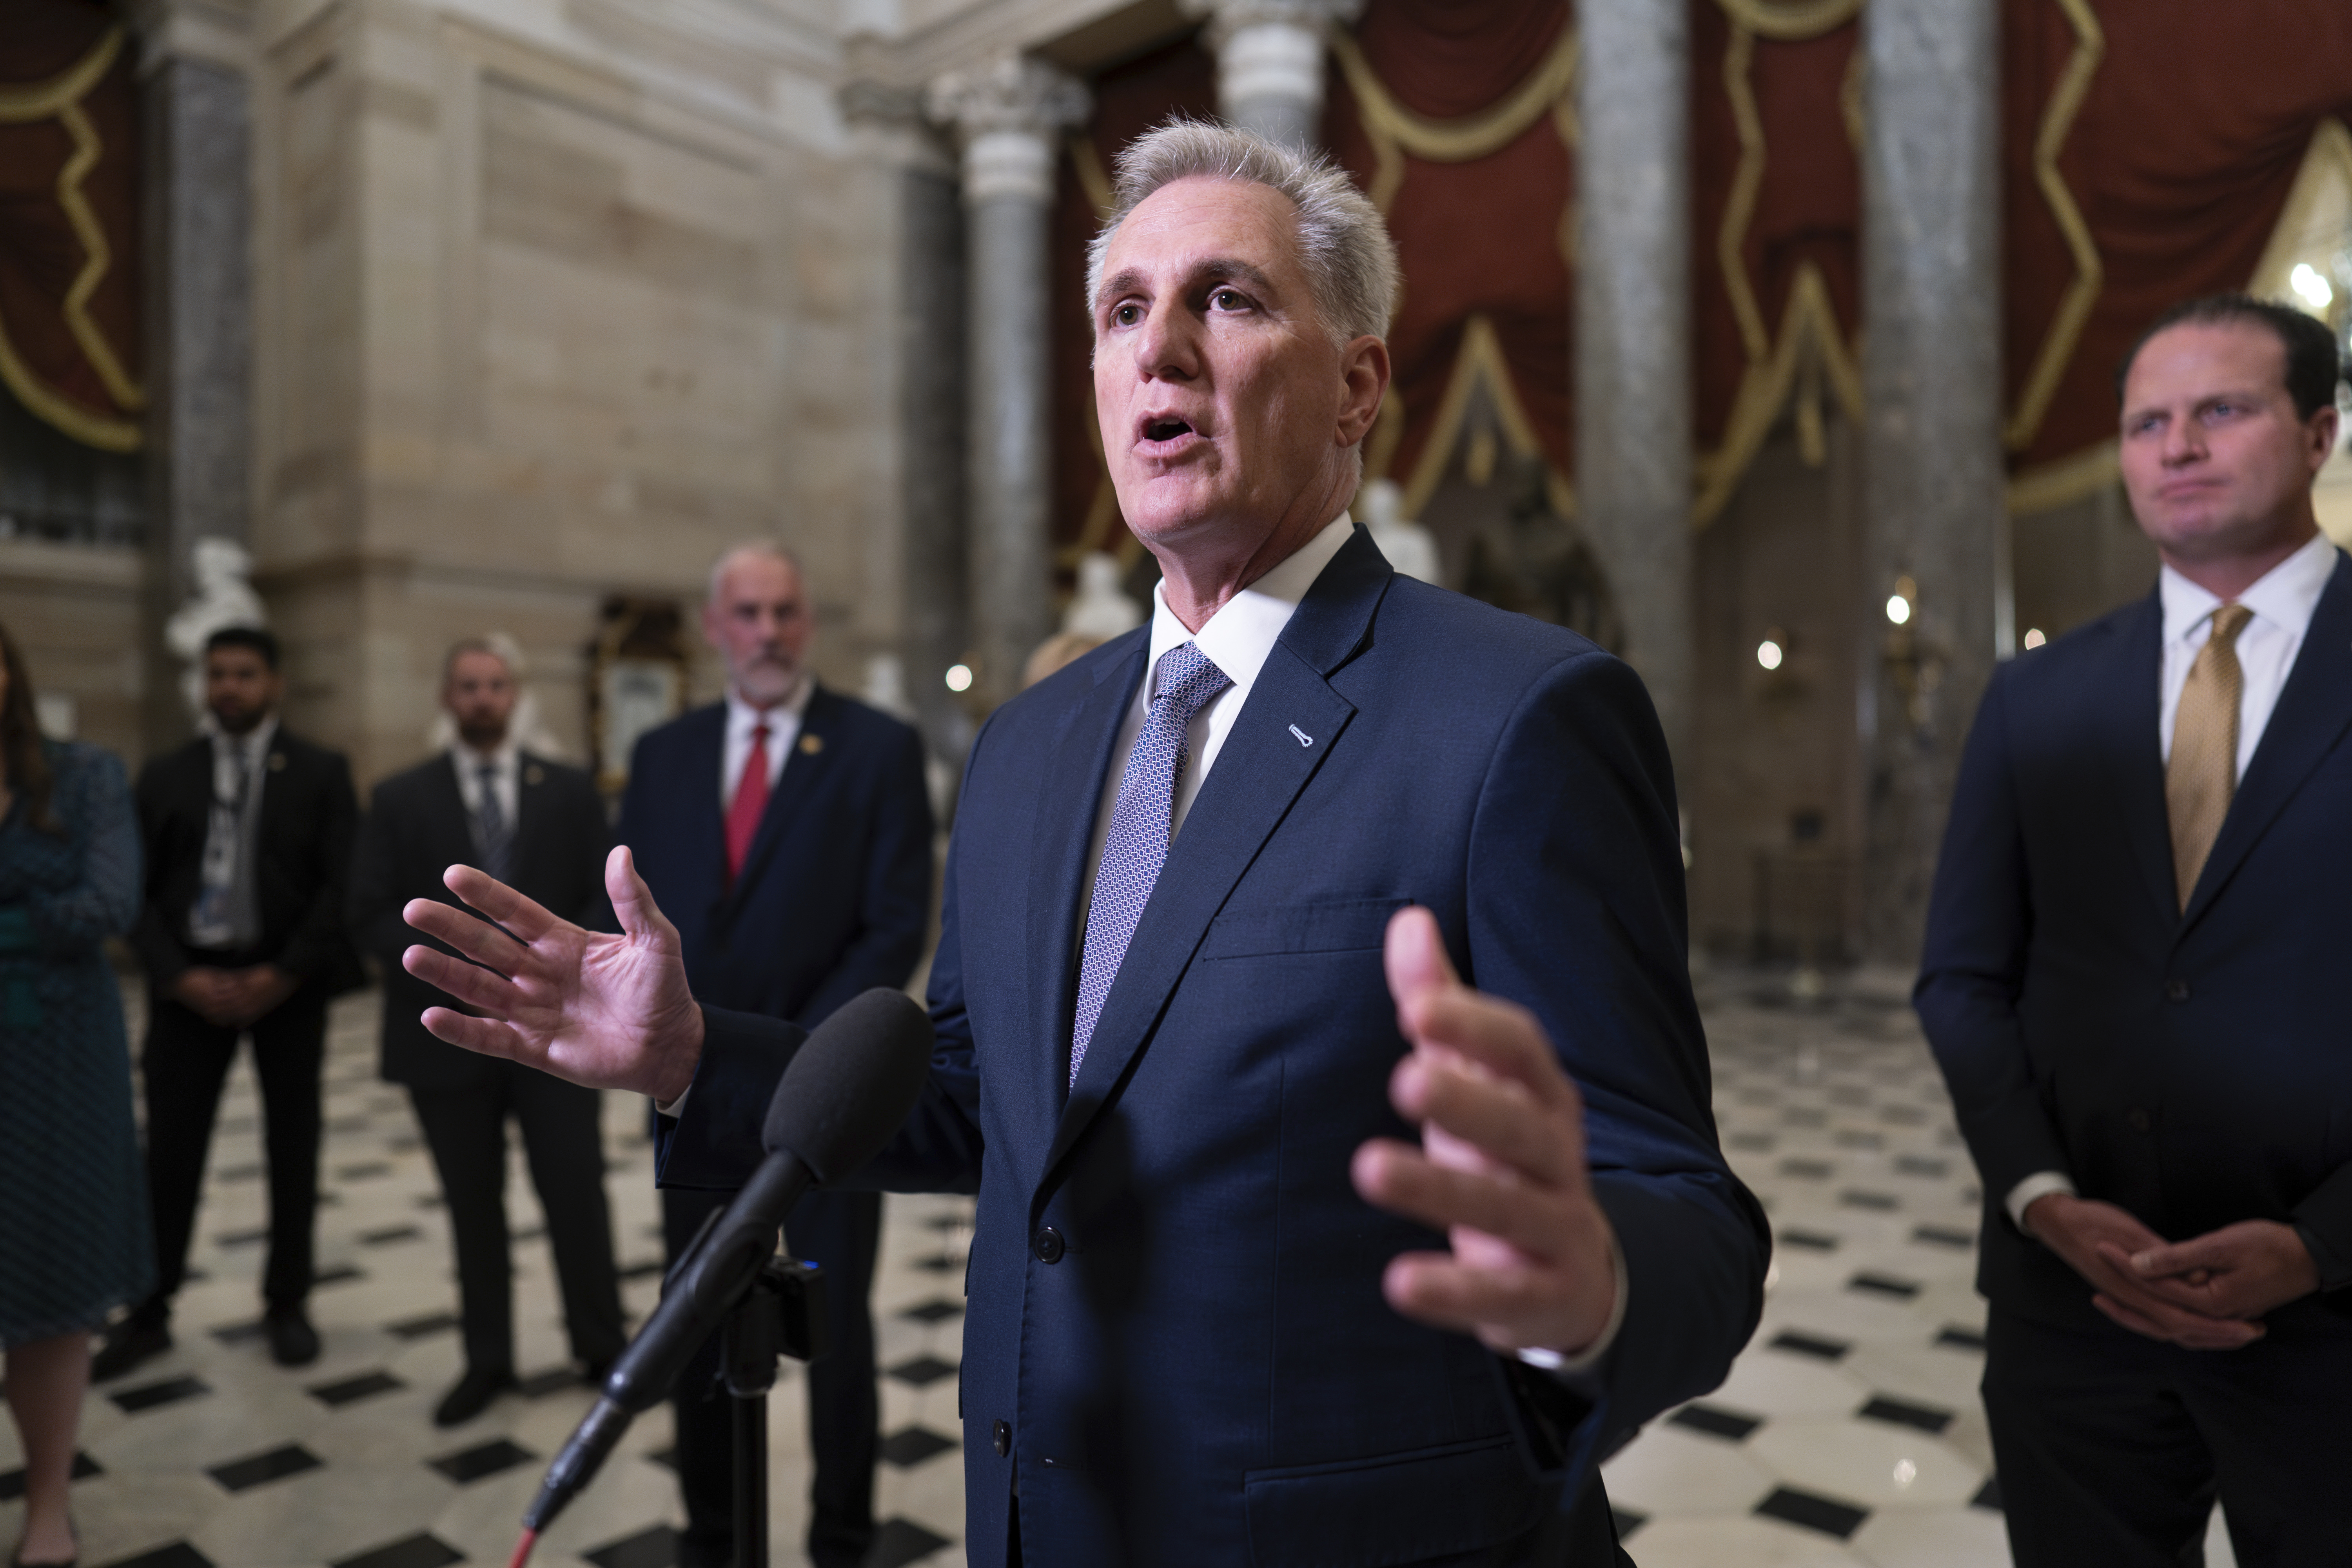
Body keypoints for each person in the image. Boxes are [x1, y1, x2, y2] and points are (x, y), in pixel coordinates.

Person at [402, 123, 1766, 1567]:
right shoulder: (1033, 743)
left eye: (1228, 300)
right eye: (1126, 313)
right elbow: (987, 1095)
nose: (1161, 349)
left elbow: (1689, 1211)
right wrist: (692, 1056)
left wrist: (1593, 1292)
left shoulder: (1518, 718)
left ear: (1359, 384)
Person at [1917, 293, 2352, 1566]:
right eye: (2146, 422)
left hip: (2335, 1329)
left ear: (2320, 430)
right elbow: (1961, 980)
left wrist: (2323, 1244)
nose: (2178, 446)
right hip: (2072, 1311)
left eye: (2222, 410)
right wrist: (2043, 1198)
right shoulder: (2039, 694)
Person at [614, 544, 933, 1568]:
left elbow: (894, 926)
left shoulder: (877, 747)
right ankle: (713, 1542)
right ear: (715, 626)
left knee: (836, 1338)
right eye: (746, 613)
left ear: (809, 623)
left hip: (833, 1097)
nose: (767, 632)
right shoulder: (663, 755)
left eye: (785, 612)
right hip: (694, 1100)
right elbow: (630, 924)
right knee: (697, 1323)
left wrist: (792, 1063)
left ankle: (842, 1541)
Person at [347, 635, 627, 1426]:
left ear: (516, 695)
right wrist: (457, 972)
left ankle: (602, 1346)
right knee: (473, 1203)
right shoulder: (402, 796)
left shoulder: (570, 791)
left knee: (575, 1191)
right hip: (446, 1035)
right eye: (468, 685)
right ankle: (487, 1359)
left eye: (496, 684)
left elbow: (601, 901)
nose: (482, 697)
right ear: (448, 697)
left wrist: (551, 974)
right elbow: (366, 909)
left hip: (556, 1039)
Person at [96, 625, 361, 1380]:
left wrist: (283, 973)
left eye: (245, 675)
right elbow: (131, 889)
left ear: (274, 682)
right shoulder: (166, 773)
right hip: (189, 986)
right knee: (171, 1153)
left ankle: (288, 1302)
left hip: (287, 984)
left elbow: (340, 886)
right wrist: (176, 974)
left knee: (292, 1147)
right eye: (218, 675)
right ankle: (149, 1311)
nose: (230, 689)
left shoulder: (321, 770)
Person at [0, 626, 145, 1567]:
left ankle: (48, 1498)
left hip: (56, 1060)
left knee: (52, 1285)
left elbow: (109, 905)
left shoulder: (82, 774)